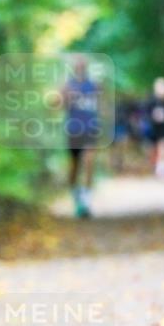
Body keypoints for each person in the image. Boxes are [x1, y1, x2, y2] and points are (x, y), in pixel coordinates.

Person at [60, 55, 101, 218]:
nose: (80, 67)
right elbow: (57, 104)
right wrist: (65, 96)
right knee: (74, 167)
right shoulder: (67, 85)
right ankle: (76, 199)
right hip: (74, 130)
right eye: (77, 65)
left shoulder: (94, 85)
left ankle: (87, 201)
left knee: (89, 161)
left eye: (83, 64)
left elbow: (102, 107)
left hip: (90, 129)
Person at [147, 77, 164, 180]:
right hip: (153, 128)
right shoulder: (151, 99)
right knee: (153, 149)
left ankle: (163, 169)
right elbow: (146, 112)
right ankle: (155, 167)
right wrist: (153, 116)